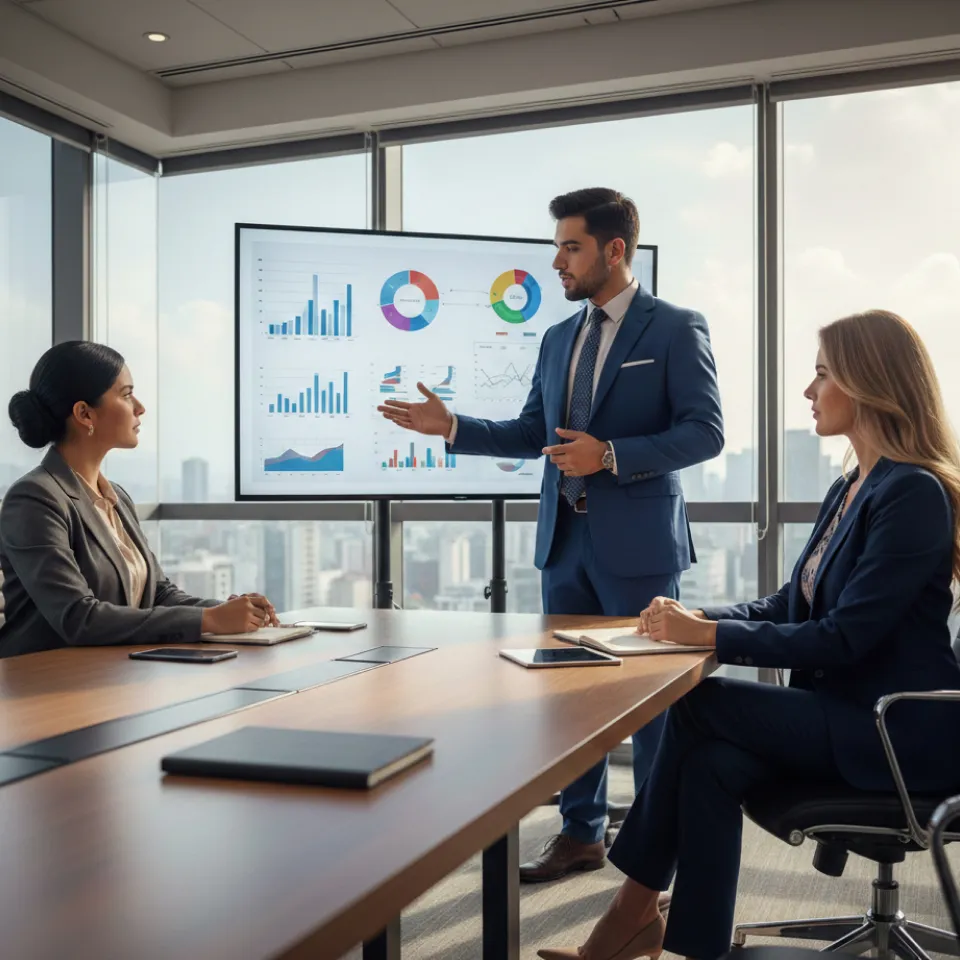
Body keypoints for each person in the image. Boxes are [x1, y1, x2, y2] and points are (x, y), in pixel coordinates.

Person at [537, 309, 960, 960]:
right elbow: (793, 603)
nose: (808, 390)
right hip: (844, 714)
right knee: (710, 764)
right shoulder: (853, 485)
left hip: (893, 733)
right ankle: (682, 944)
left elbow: (842, 638)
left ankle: (626, 922)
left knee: (700, 703)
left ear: (869, 383)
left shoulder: (913, 494)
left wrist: (707, 640)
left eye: (823, 375)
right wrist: (701, 620)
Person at [379, 188, 724, 882]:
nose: (557, 262)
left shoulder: (674, 327)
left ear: (614, 250)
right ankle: (580, 834)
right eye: (558, 246)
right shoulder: (558, 337)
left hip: (638, 546)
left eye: (571, 247)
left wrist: (611, 455)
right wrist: (451, 427)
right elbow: (531, 432)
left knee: (651, 702)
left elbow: (705, 432)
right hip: (563, 541)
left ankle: (652, 857)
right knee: (567, 695)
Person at [0, 341, 279, 658]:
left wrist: (229, 612)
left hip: (113, 670)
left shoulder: (116, 496)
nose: (140, 407)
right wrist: (209, 620)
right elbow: (78, 618)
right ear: (84, 413)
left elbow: (158, 594)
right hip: (46, 677)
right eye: (126, 394)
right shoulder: (34, 499)